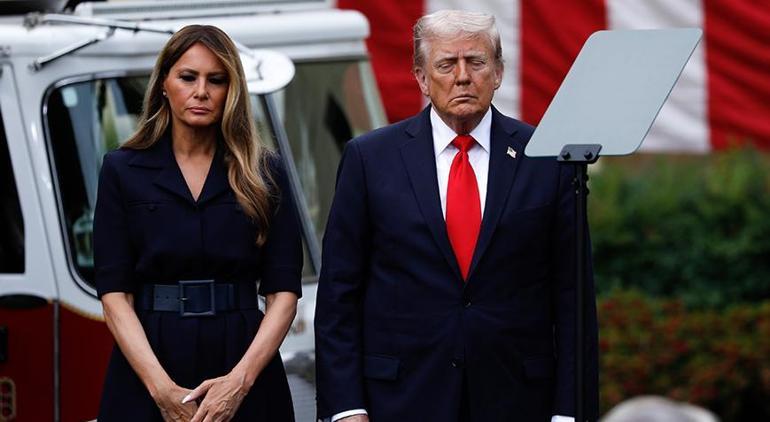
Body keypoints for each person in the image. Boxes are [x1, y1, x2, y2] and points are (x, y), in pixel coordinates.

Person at [315, 9, 598, 422]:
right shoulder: (369, 159)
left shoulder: (548, 156)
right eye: (447, 64)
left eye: (476, 62)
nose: (462, 77)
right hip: (401, 400)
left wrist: (570, 412)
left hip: (517, 401)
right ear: (421, 78)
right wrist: (346, 408)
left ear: (498, 73)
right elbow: (339, 293)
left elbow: (573, 297)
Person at [94, 25, 302, 422]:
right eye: (188, 77)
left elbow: (284, 293)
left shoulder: (264, 172)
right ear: (163, 84)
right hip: (149, 364)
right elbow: (115, 295)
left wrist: (239, 383)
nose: (201, 91)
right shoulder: (122, 170)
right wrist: (161, 390)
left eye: (216, 80)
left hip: (243, 362)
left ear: (232, 89)